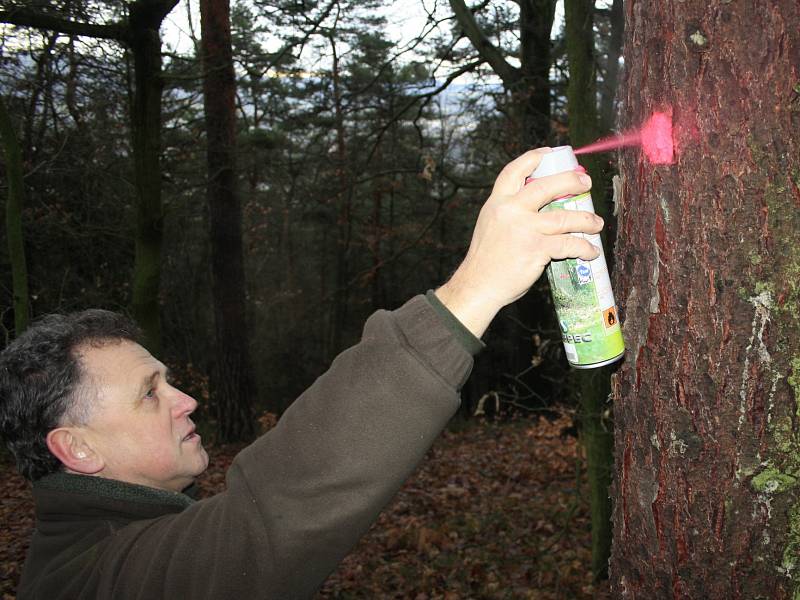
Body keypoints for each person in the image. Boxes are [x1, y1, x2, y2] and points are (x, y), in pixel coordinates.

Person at [0, 149, 601, 599]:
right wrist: (476, 288)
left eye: (166, 381)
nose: (185, 401)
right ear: (75, 448)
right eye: (148, 394)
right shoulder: (86, 583)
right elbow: (269, 518)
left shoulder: (112, 545)